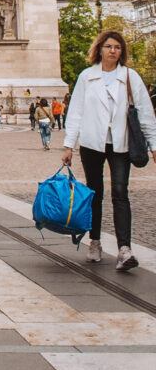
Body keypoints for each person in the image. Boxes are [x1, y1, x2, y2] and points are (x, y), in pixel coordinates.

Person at [62, 29, 156, 270]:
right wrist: (68, 145)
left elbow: (145, 113)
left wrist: (154, 145)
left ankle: (125, 249)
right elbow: (76, 113)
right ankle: (95, 241)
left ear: (121, 51)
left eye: (117, 47)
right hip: (93, 143)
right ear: (100, 49)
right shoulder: (86, 77)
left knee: (120, 193)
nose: (113, 50)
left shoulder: (130, 77)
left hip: (121, 143)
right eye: (109, 46)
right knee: (95, 193)